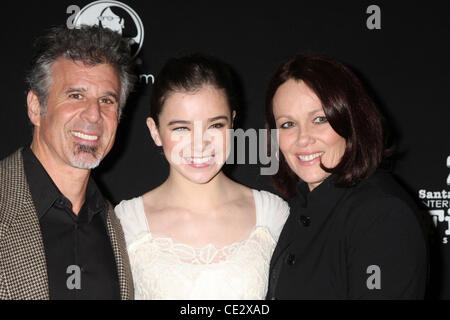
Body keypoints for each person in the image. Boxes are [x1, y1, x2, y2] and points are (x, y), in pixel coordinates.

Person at [115, 54, 289, 299]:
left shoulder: (272, 215)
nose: (200, 145)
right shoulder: (125, 223)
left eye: (215, 125)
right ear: (155, 132)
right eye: (181, 128)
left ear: (232, 124)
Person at [265, 54, 428, 299]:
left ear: (351, 120)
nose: (303, 138)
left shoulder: (380, 214)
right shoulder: (299, 206)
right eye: (288, 124)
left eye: (319, 119)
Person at [0, 25, 135, 300]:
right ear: (36, 107)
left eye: (106, 100)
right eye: (76, 95)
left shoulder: (119, 224)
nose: (94, 114)